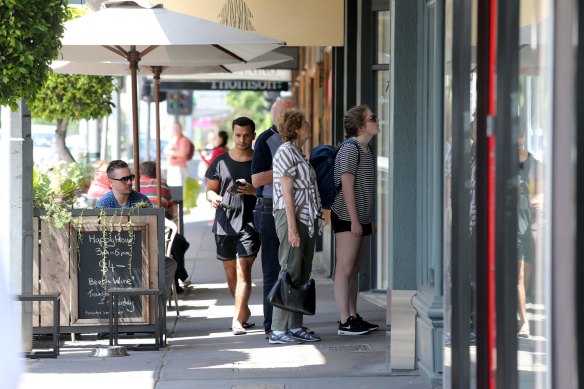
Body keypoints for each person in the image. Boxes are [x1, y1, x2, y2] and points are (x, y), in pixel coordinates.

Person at [269, 108, 323, 344]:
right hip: (292, 215)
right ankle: (279, 328)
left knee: (302, 270)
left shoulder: (299, 153)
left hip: (306, 218)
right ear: (297, 127)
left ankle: (295, 325)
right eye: (306, 121)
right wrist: (292, 226)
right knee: (289, 269)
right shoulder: (285, 152)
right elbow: (287, 193)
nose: (310, 124)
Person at [205, 117, 260, 335]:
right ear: (233, 134)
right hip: (224, 222)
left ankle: (236, 320)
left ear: (253, 136)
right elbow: (209, 189)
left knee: (243, 270)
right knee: (231, 275)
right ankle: (243, 311)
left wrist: (252, 191)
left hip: (250, 222)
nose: (242, 139)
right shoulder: (220, 161)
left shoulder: (260, 161)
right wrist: (213, 198)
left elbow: (271, 191)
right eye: (238, 135)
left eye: (247, 135)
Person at [331, 105, 380, 335]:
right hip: (346, 216)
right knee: (345, 268)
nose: (377, 120)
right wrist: (354, 220)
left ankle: (353, 315)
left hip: (360, 217)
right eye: (373, 118)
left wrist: (367, 218)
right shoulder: (350, 149)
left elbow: (366, 188)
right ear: (361, 126)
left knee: (355, 268)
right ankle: (344, 320)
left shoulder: (366, 149)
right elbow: (347, 187)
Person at [251, 98, 295, 338]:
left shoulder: (292, 141)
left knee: (291, 268)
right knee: (272, 269)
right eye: (292, 114)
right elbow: (256, 179)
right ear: (279, 117)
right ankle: (271, 325)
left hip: (290, 208)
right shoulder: (266, 140)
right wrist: (287, 168)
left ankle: (289, 322)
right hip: (269, 209)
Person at [139, 161, 191, 293]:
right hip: (161, 231)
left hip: (140, 235)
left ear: (141, 172)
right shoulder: (162, 184)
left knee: (177, 243)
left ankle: (179, 277)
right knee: (178, 242)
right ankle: (178, 279)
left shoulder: (135, 186)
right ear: (156, 172)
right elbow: (173, 211)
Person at [517, 129, 538, 338]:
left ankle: (522, 307)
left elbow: (542, 192)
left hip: (529, 221)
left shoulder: (533, 163)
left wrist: (536, 198)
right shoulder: (504, 162)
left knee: (527, 269)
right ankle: (523, 320)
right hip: (513, 221)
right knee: (519, 274)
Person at [163, 122, 191, 187]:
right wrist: (172, 152)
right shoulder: (173, 139)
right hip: (172, 167)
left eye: (177, 128)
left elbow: (182, 153)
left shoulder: (183, 140)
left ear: (181, 129)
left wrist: (171, 152)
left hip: (180, 168)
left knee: (179, 188)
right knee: (172, 188)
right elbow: (165, 151)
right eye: (174, 128)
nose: (175, 130)